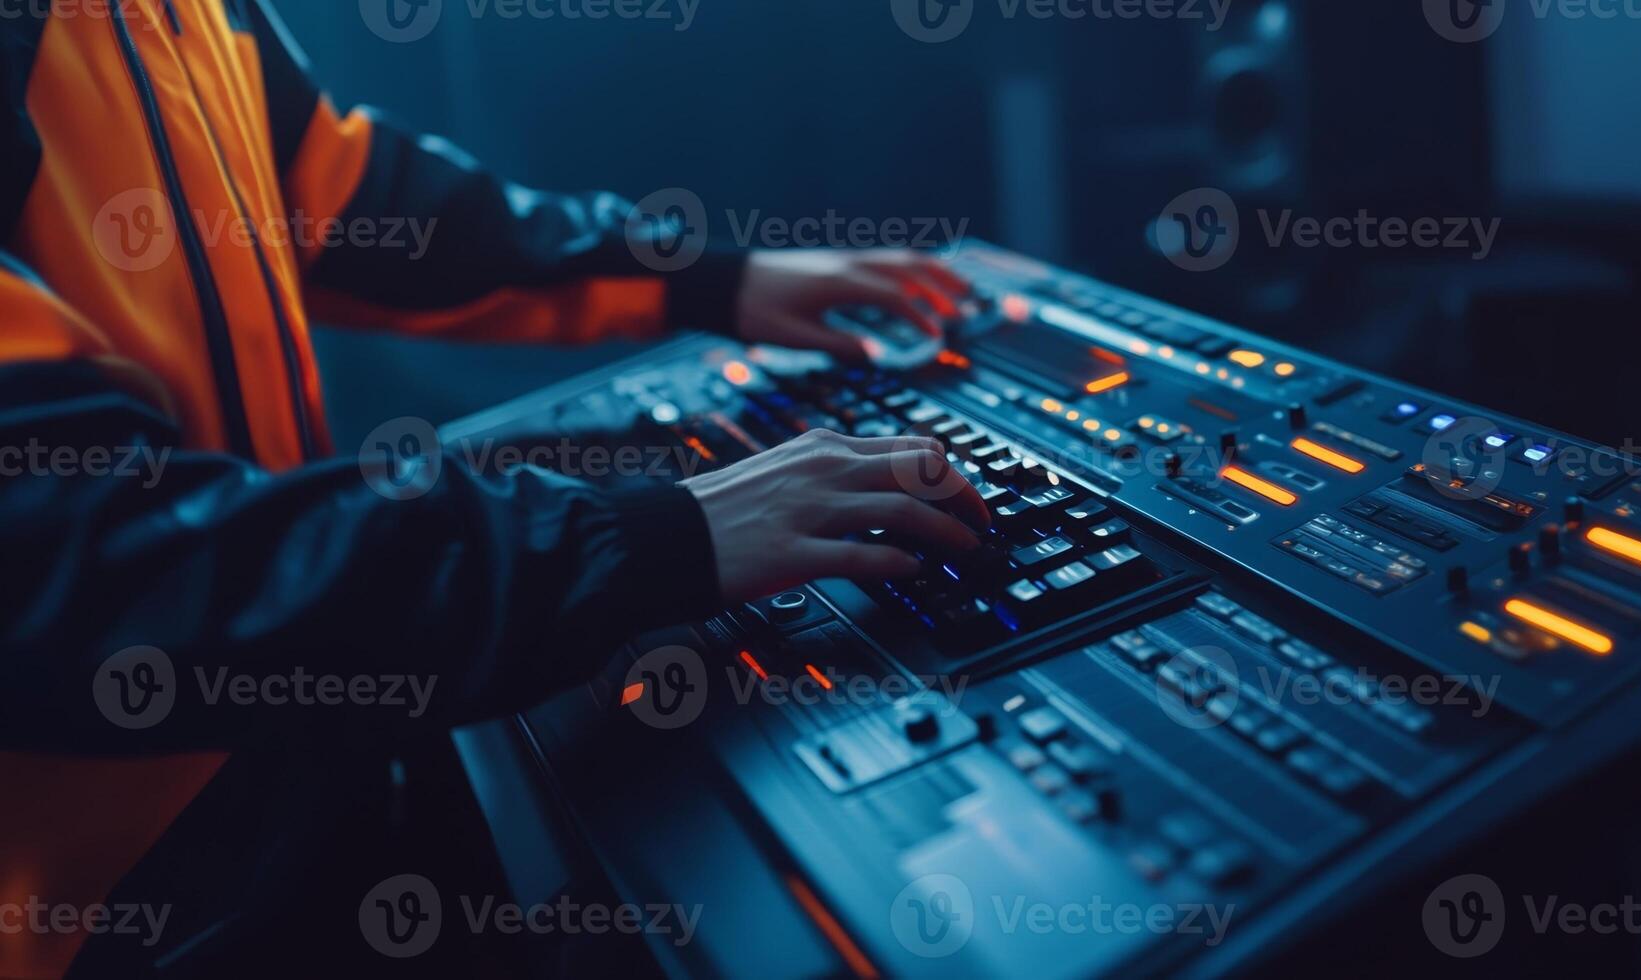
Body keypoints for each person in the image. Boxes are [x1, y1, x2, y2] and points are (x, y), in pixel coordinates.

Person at [0, 2, 985, 975]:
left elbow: (345, 197)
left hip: (292, 749)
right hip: (112, 911)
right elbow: (73, 557)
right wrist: (651, 537)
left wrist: (700, 280)